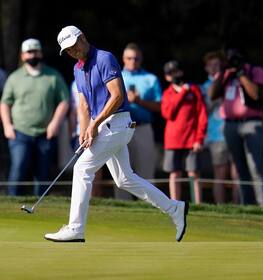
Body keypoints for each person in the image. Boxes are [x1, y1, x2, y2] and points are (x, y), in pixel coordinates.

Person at [44, 25, 188, 242]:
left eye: (74, 46)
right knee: (124, 179)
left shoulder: (104, 58)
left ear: (82, 38)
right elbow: (83, 104)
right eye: (68, 50)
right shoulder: (77, 68)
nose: (73, 52)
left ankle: (76, 228)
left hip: (118, 123)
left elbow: (118, 96)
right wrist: (84, 130)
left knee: (82, 168)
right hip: (104, 126)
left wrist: (95, 124)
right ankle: (174, 208)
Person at [0, 38, 69, 196]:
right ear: (23, 55)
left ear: (41, 53)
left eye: (35, 51)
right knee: (18, 169)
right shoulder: (14, 78)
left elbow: (64, 101)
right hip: (20, 133)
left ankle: (40, 207)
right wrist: (7, 125)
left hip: (46, 133)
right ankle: (12, 205)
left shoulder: (53, 76)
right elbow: (5, 103)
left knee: (43, 174)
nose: (33, 55)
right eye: (29, 52)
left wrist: (55, 124)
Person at [209, 48, 263, 206]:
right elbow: (212, 95)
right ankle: (246, 205)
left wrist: (241, 73)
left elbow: (256, 94)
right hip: (230, 125)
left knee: (256, 167)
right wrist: (222, 72)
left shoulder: (255, 71)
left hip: (252, 123)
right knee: (239, 168)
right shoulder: (226, 74)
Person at [115, 43, 162, 200]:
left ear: (141, 59)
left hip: (143, 128)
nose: (132, 61)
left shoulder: (150, 79)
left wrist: (139, 101)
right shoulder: (116, 76)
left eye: (136, 58)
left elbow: (160, 106)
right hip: (121, 127)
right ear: (123, 59)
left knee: (146, 170)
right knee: (121, 172)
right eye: (129, 58)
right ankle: (123, 206)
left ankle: (150, 206)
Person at [161, 60, 208, 204]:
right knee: (174, 173)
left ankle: (198, 204)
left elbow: (202, 115)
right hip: (173, 140)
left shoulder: (194, 90)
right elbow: (168, 113)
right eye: (170, 73)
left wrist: (199, 139)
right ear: (167, 77)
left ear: (181, 72)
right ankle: (175, 204)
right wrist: (182, 93)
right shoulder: (168, 93)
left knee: (193, 172)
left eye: (176, 71)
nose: (174, 75)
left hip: (191, 140)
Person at [201, 51, 239, 204]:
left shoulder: (231, 82)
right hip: (216, 135)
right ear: (206, 68)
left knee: (236, 171)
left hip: (234, 131)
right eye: (212, 65)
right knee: (220, 173)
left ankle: (238, 206)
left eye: (218, 65)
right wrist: (216, 95)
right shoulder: (204, 87)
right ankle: (221, 207)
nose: (215, 68)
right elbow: (205, 110)